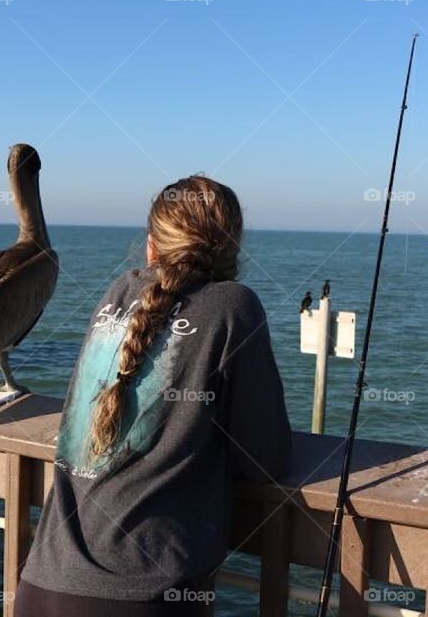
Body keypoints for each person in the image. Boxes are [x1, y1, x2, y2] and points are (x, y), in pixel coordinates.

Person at [16, 175, 292, 616]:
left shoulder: (117, 295)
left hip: (43, 586)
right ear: (232, 246)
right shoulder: (234, 307)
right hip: (146, 595)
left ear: (151, 246)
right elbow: (265, 458)